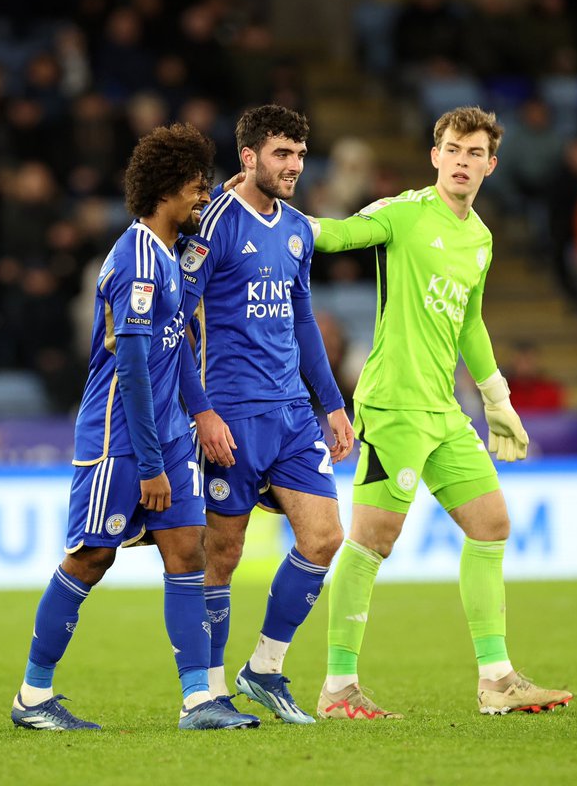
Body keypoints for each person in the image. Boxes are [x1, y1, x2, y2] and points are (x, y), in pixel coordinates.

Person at [308, 106, 573, 718]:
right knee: (373, 541)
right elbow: (336, 235)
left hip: (444, 409)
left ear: (491, 165)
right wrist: (264, 216)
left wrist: (497, 395)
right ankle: (337, 688)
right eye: (453, 148)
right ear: (435, 156)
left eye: (475, 152)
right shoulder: (401, 213)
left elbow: (469, 321)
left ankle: (497, 680)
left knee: (490, 523)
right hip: (394, 405)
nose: (462, 160)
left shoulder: (479, 238)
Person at [10, 124, 259, 732]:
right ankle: (32, 697)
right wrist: (149, 463)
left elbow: (178, 349)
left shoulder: (171, 255)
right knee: (91, 558)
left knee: (187, 551)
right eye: (198, 189)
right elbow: (138, 368)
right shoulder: (137, 261)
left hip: (169, 434)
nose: (203, 198)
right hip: (119, 439)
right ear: (167, 190)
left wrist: (200, 414)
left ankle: (199, 701)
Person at [178, 104, 354, 724]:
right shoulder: (215, 224)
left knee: (325, 536)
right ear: (248, 157)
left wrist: (331, 403)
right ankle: (210, 691)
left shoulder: (300, 228)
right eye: (282, 154)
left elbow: (303, 319)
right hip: (232, 415)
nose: (294, 166)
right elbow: (178, 325)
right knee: (222, 553)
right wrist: (201, 412)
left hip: (291, 414)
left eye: (301, 155)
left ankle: (265, 669)